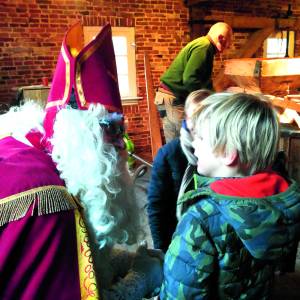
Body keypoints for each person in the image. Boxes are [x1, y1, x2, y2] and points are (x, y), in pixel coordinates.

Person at [0, 22, 163, 300]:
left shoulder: (27, 144)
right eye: (111, 129)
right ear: (81, 133)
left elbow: (76, 254)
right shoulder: (50, 201)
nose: (123, 144)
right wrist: (142, 278)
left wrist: (124, 259)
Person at [160, 93, 300, 299]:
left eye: (200, 138)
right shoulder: (282, 200)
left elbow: (180, 293)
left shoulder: (201, 219)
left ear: (227, 153)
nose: (194, 144)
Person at [147, 89, 211, 252]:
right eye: (195, 115)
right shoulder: (169, 154)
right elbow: (157, 207)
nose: (200, 122)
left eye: (207, 115)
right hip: (178, 236)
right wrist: (161, 251)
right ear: (187, 118)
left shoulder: (221, 152)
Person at [155, 22, 233, 142]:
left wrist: (214, 96)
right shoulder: (204, 47)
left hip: (170, 97)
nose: (227, 49)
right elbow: (190, 79)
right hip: (172, 98)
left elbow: (203, 81)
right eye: (228, 44)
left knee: (180, 142)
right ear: (221, 38)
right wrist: (206, 101)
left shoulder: (204, 45)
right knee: (179, 144)